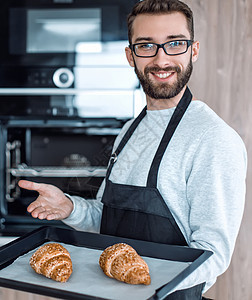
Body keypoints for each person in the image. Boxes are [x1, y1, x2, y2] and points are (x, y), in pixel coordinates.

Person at [18, 0, 247, 299]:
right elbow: (111, 219)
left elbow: (212, 255)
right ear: (130, 55)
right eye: (146, 45)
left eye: (174, 43)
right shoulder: (129, 131)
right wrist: (70, 208)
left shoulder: (213, 138)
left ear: (194, 50)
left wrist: (143, 288)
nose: (161, 60)